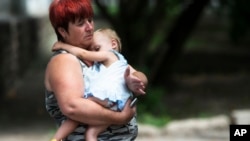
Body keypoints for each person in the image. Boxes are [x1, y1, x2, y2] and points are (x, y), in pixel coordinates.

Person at [45, 0, 147, 141]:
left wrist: (135, 81)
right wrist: (121, 117)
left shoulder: (98, 53)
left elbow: (133, 73)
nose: (89, 27)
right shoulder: (64, 60)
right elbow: (72, 106)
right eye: (81, 23)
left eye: (90, 20)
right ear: (63, 31)